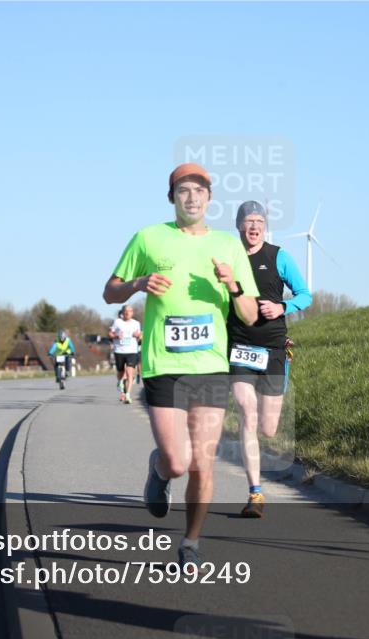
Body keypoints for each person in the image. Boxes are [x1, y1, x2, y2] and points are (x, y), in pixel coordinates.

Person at [103, 163, 258, 567]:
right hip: (162, 363)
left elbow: (249, 315)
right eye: (183, 190)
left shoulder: (228, 246)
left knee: (202, 461)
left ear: (209, 197)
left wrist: (233, 285)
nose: (192, 196)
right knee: (177, 460)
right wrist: (138, 284)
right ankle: (158, 470)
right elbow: (109, 291)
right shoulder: (149, 238)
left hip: (209, 366)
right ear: (172, 198)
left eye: (199, 190)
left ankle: (190, 542)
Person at [227, 201, 311, 518]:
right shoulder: (228, 258)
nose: (254, 226)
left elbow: (305, 294)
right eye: (248, 221)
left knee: (269, 429)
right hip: (239, 347)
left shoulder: (279, 257)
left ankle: (285, 365)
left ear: (265, 226)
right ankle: (255, 493)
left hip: (274, 347)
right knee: (247, 415)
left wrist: (282, 308)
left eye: (259, 221)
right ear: (238, 226)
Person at [110, 305, 143, 404]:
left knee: (130, 373)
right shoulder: (117, 322)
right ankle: (121, 386)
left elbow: (140, 336)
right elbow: (110, 334)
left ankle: (128, 394)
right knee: (120, 372)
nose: (128, 313)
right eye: (126, 311)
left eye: (130, 311)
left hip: (132, 351)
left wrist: (138, 335)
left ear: (132, 313)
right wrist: (116, 336)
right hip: (119, 350)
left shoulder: (136, 323)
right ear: (123, 312)